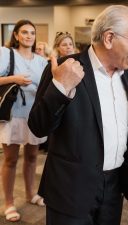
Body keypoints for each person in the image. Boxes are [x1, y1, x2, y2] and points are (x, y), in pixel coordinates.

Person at [28, 5, 128, 225]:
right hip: (71, 191)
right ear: (109, 38)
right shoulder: (66, 68)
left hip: (113, 188)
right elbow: (38, 127)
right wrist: (61, 88)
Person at [0, 19, 48, 222]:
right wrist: (14, 79)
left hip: (34, 114)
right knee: (10, 159)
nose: (29, 36)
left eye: (32, 33)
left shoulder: (41, 60)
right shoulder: (6, 54)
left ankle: (31, 194)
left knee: (32, 157)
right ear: (17, 35)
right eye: (25, 32)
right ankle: (9, 203)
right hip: (12, 114)